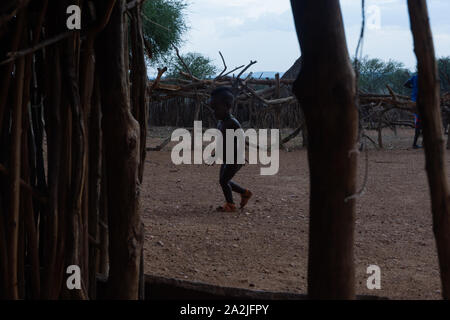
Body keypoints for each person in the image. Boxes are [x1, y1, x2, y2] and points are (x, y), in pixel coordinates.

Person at [208, 87, 252, 212]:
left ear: (227, 106)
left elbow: (241, 139)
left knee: (224, 180)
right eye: (212, 109)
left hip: (235, 158)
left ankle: (230, 204)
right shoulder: (221, 123)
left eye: (216, 108)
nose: (214, 112)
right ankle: (245, 193)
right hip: (227, 157)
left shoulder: (233, 123)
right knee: (223, 181)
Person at [404, 74, 422, 149]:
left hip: (414, 101)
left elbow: (405, 84)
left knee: (418, 122)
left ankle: (415, 143)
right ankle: (414, 144)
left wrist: (413, 88)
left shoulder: (415, 77)